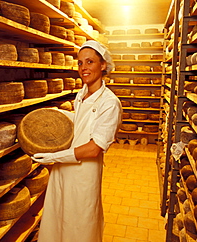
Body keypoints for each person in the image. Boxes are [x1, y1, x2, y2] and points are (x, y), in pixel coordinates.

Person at [31, 40, 122, 242]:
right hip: (63, 169)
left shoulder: (110, 103)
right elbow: (83, 122)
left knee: (80, 224)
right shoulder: (81, 94)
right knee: (58, 218)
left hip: (83, 174)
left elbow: (94, 149)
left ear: (103, 64)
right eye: (80, 63)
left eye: (90, 62)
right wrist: (57, 116)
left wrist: (55, 156)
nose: (83, 68)